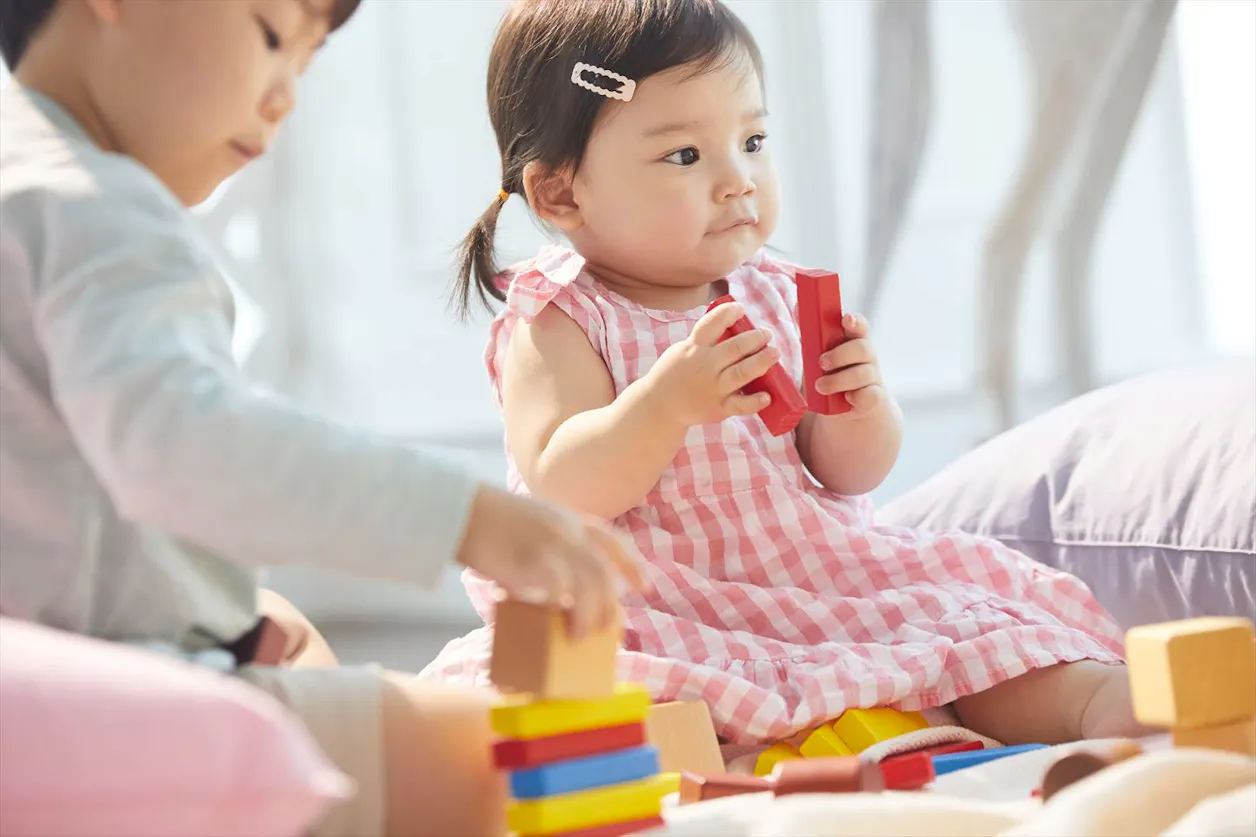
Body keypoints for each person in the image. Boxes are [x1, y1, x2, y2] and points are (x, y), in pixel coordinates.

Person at [422, 0, 1149, 758]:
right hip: (654, 600)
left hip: (819, 578)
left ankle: (1096, 702)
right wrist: (662, 406)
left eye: (752, 140)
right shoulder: (562, 318)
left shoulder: (775, 290)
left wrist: (860, 405)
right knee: (616, 702)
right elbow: (564, 482)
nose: (739, 181)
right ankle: (727, 763)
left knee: (956, 633)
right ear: (562, 193)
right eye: (685, 156)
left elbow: (846, 471)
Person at [0, 1, 647, 834]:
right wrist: (470, 516)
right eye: (271, 37)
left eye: (302, 67)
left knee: (291, 629)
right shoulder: (98, 209)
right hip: (97, 705)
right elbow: (184, 445)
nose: (284, 99)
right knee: (522, 764)